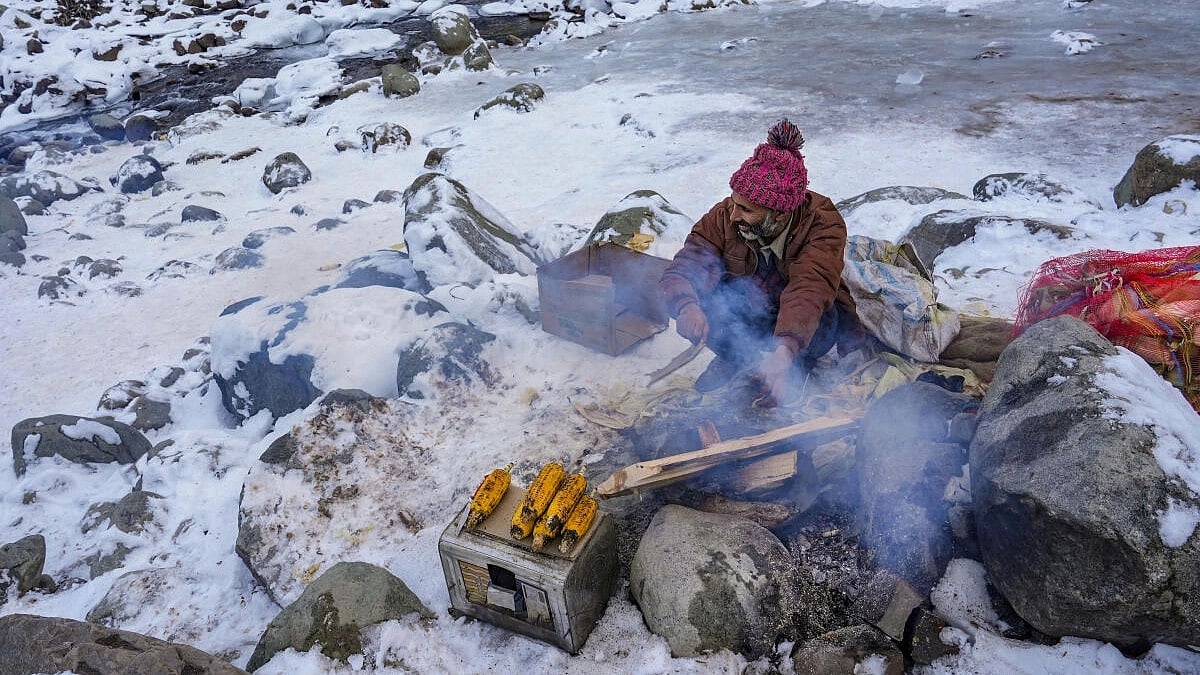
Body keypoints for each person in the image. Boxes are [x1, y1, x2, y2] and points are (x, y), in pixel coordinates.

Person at [658, 118, 862, 407]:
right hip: (753, 308)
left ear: (779, 214)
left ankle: (795, 366)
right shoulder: (723, 216)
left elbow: (810, 287)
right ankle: (737, 359)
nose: (734, 216)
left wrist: (785, 351)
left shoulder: (823, 223)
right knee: (714, 302)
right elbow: (686, 265)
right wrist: (686, 306)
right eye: (734, 203)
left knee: (825, 319)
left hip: (797, 316)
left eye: (746, 209)